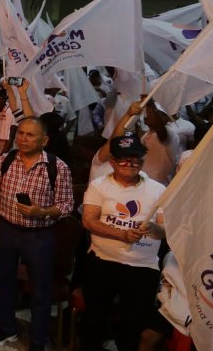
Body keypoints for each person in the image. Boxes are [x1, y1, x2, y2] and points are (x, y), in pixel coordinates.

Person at [0, 80, 75, 351]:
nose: (22, 138)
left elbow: (67, 205)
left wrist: (42, 212)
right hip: (5, 229)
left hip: (38, 236)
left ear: (44, 140)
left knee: (40, 290)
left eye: (29, 135)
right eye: (20, 133)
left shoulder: (57, 168)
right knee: (4, 282)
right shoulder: (7, 160)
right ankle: (7, 328)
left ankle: (37, 339)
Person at [79, 133, 166, 351]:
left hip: (142, 268)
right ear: (112, 162)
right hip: (102, 261)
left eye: (135, 159)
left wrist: (153, 228)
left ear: (142, 162)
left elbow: (166, 232)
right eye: (123, 159)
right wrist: (121, 235)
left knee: (133, 325)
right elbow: (89, 220)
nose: (129, 164)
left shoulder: (158, 190)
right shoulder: (99, 185)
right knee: (94, 319)